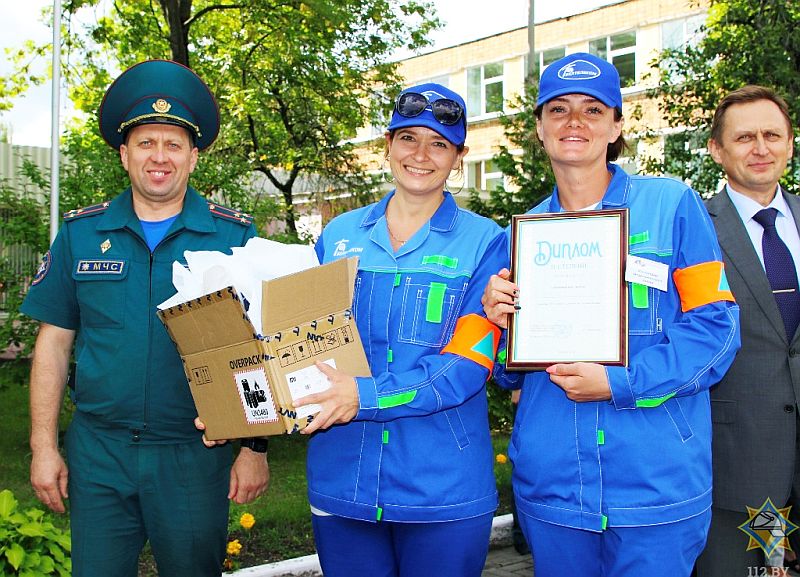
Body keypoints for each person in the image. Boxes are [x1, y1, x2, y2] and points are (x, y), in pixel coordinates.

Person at [482, 52, 740, 577]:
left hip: (655, 485)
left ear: (616, 125)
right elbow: (507, 372)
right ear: (539, 128)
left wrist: (620, 382)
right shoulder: (517, 237)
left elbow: (716, 330)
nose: (574, 121)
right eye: (558, 109)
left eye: (593, 109)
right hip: (555, 488)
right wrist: (500, 326)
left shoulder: (672, 206)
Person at [22, 60, 270, 577]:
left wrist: (254, 446)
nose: (159, 157)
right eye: (146, 143)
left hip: (193, 452)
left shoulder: (233, 238)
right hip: (100, 453)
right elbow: (53, 344)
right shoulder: (81, 236)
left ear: (193, 157)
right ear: (124, 153)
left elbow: (261, 346)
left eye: (174, 144)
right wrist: (42, 447)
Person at [293, 83, 508, 577]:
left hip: (443, 490)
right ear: (387, 145)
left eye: (439, 144)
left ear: (459, 157)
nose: (420, 155)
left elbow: (466, 366)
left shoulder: (487, 243)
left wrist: (364, 396)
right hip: (342, 480)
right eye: (408, 138)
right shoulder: (338, 236)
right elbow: (297, 344)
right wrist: (247, 403)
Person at [696, 85, 800, 577]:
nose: (760, 148)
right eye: (744, 138)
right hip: (738, 468)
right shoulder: (693, 227)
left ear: (790, 144)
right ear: (717, 149)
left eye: (772, 135)